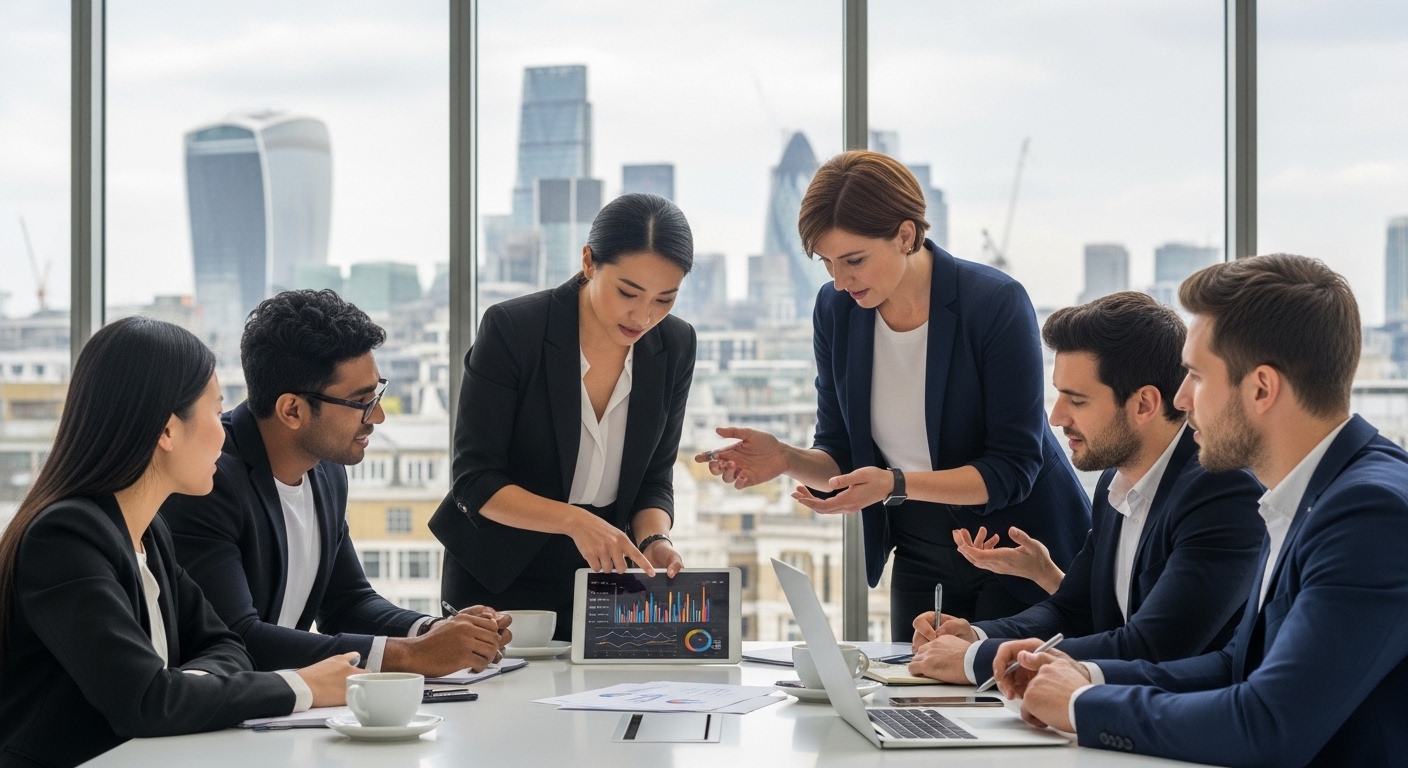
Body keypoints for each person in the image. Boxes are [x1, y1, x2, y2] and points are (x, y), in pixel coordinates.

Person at [1001, 255, 1408, 767]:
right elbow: (1236, 665)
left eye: (1195, 375)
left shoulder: (1368, 512)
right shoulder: (1307, 492)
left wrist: (1083, 706)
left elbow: (1269, 725)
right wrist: (1088, 675)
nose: (1181, 397)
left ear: (1261, 388)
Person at [697, 151, 1090, 637]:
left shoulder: (993, 303)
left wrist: (895, 484)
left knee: (999, 702)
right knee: (909, 698)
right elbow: (841, 450)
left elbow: (1014, 468)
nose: (841, 281)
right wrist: (785, 459)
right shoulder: (836, 309)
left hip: (1018, 544)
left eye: (854, 260)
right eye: (828, 264)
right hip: (920, 544)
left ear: (906, 235)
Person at [0, 318, 357, 767]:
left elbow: (228, 646)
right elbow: (147, 702)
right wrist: (303, 685)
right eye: (215, 410)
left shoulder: (149, 533)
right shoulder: (65, 538)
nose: (225, 430)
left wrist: (184, 686)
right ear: (167, 431)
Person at [906, 292, 1265, 685]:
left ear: (1144, 404)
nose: (1057, 416)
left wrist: (975, 659)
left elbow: (1153, 647)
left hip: (1181, 725)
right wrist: (976, 634)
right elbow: (1071, 611)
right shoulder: (1115, 482)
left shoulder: (1222, 491)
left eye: (1076, 400)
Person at [162, 291, 510, 676]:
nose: (377, 416)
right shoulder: (207, 482)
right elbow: (238, 639)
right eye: (361, 401)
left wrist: (433, 631)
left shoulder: (327, 469)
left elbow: (347, 603)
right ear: (292, 410)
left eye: (377, 393)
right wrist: (412, 655)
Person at [429, 193, 695, 642]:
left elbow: (654, 477)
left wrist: (655, 541)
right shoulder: (514, 330)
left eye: (664, 299)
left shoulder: (674, 345)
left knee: (603, 708)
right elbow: (476, 481)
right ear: (589, 262)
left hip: (605, 573)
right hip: (500, 571)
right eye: (628, 292)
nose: (643, 315)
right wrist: (577, 521)